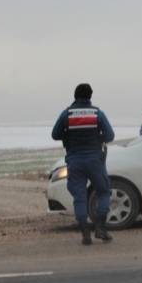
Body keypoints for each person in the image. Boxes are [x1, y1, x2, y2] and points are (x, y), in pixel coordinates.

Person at [52, 83, 115, 245]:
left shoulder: (66, 114)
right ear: (90, 97)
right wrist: (97, 138)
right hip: (95, 160)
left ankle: (85, 233)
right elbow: (110, 136)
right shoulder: (97, 113)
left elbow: (55, 134)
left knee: (79, 197)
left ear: (75, 96)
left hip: (74, 160)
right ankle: (101, 227)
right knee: (103, 192)